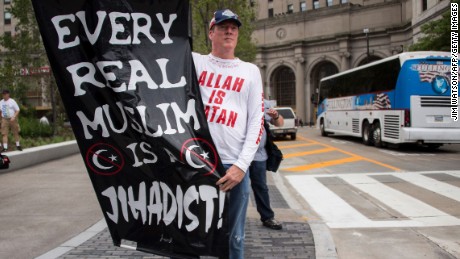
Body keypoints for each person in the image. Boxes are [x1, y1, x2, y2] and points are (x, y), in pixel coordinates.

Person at [192, 9, 264, 259]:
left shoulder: (250, 71)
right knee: (192, 233)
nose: (229, 31)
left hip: (234, 166)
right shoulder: (195, 63)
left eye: (234, 27)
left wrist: (241, 166)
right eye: (223, 27)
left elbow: (257, 121)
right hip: (198, 163)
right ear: (211, 32)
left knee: (234, 238)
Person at [249, 100, 284, 230]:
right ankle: (229, 219)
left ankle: (267, 217)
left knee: (261, 187)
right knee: (236, 189)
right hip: (238, 155)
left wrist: (275, 116)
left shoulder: (264, 103)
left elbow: (280, 123)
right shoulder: (237, 97)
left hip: (259, 155)